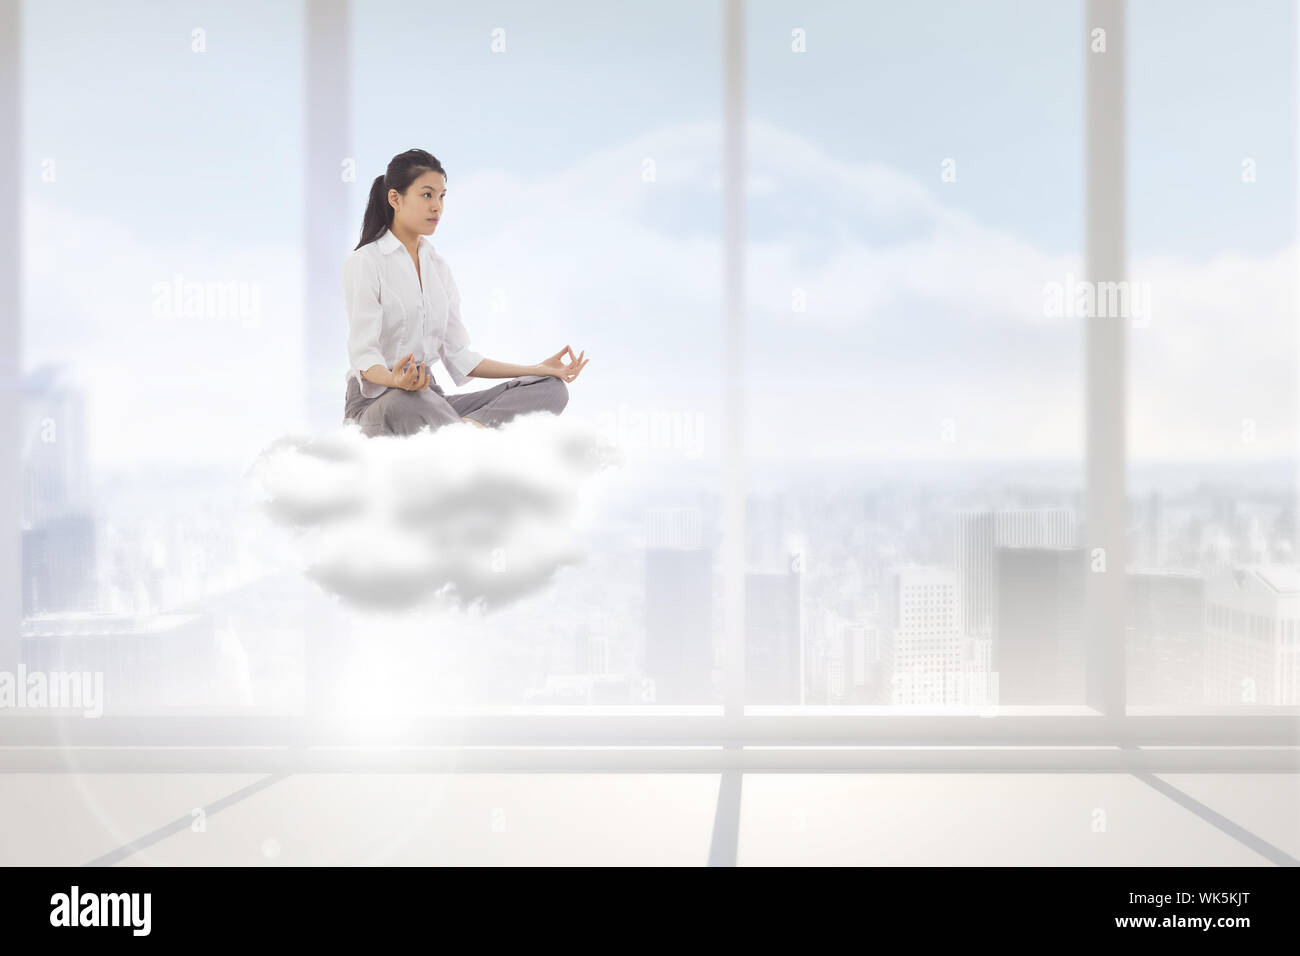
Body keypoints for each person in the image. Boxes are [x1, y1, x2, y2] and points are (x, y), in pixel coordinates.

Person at [342, 148, 588, 437]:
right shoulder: (366, 262)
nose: (437, 206)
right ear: (395, 198)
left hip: (431, 402)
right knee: (405, 401)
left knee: (551, 390)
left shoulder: (439, 268)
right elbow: (364, 357)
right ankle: (464, 438)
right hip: (381, 403)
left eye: (442, 196)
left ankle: (464, 435)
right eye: (427, 195)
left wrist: (539, 369)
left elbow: (462, 357)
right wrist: (395, 380)